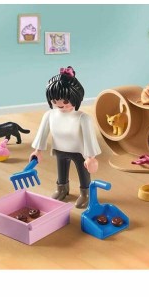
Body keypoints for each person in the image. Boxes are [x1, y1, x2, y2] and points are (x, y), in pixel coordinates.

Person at [30, 66, 101, 209]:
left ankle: (86, 193)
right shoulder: (49, 115)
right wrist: (37, 150)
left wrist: (91, 157)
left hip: (79, 152)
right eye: (55, 100)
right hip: (59, 149)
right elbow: (42, 133)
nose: (59, 104)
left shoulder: (83, 118)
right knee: (61, 171)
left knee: (83, 173)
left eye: (65, 101)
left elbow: (89, 138)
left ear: (75, 98)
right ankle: (62, 189)